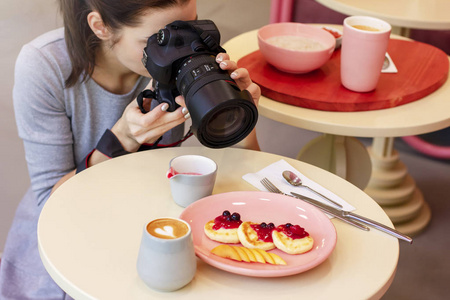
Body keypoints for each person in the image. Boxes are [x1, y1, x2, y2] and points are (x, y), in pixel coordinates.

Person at [0, 0, 260, 298]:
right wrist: (122, 138)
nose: (185, 48)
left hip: (154, 226)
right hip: (72, 234)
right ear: (101, 27)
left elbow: (248, 167)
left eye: (190, 27)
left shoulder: (197, 59)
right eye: (160, 40)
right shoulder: (45, 65)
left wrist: (239, 112)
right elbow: (50, 200)